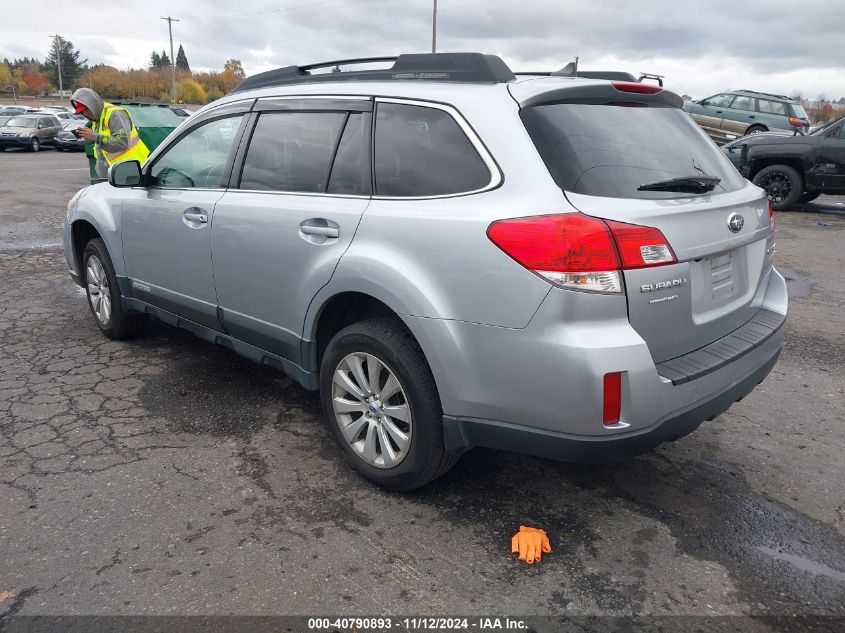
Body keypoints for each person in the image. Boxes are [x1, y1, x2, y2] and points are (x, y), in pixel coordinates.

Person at [70, 88, 150, 179]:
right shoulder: (97, 119)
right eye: (81, 112)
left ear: (93, 105)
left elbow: (121, 142)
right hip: (116, 173)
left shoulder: (115, 114)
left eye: (85, 110)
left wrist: (94, 136)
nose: (84, 114)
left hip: (129, 171)